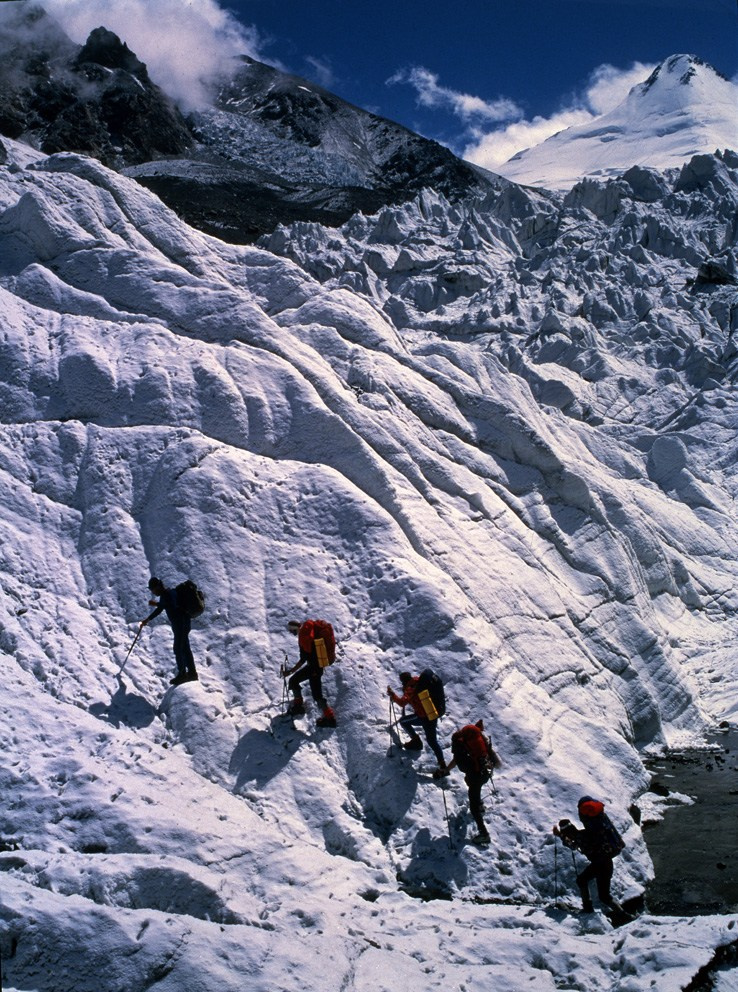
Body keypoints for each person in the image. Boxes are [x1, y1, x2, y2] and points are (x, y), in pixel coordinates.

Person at [553, 796, 626, 913]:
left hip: (600, 863)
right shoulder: (600, 823)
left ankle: (588, 909)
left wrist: (562, 835)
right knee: (604, 896)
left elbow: (575, 843)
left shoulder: (592, 831)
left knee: (582, 881)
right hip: (606, 862)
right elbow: (581, 839)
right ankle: (624, 916)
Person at [444, 720, 499, 846]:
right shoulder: (477, 738)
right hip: (486, 772)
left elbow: (461, 765)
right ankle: (479, 804)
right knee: (473, 786)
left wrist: (447, 770)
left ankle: (484, 834)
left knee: (473, 806)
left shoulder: (462, 746)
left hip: (476, 776)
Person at [140, 577, 198, 686]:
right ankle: (192, 673)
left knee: (178, 648)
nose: (152, 592)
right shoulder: (166, 594)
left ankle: (183, 674)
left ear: (157, 587)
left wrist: (157, 604)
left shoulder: (168, 594)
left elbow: (171, 605)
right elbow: (161, 609)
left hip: (180, 623)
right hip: (183, 623)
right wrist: (147, 620)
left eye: (152, 589)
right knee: (185, 648)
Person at [387, 672, 447, 775]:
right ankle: (443, 765)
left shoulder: (409, 689)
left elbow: (402, 703)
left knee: (403, 721)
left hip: (422, 717)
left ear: (403, 681)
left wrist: (393, 695)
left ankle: (416, 741)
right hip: (432, 715)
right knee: (432, 741)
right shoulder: (419, 681)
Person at [283, 619, 336, 727]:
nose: (293, 633)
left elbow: (303, 659)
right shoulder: (310, 632)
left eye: (292, 631)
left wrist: (290, 672)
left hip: (313, 668)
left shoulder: (304, 636)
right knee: (316, 693)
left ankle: (300, 708)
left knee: (294, 681)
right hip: (317, 667)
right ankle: (328, 716)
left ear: (295, 629)